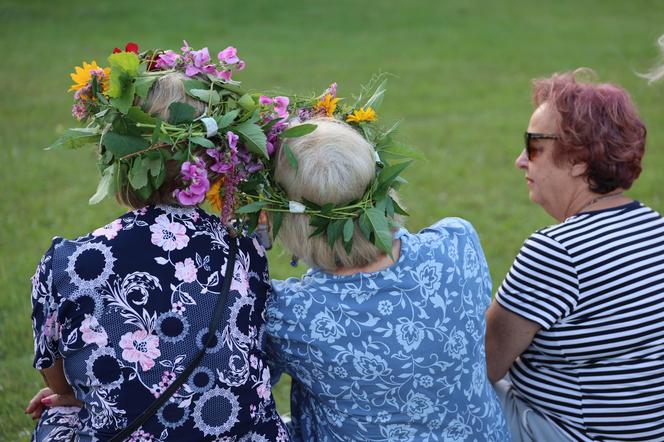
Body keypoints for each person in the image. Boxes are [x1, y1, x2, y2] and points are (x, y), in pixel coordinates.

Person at [26, 42, 289, 441]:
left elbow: (61, 384)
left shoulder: (68, 262)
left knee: (55, 412)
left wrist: (79, 396)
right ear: (211, 159)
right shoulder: (245, 251)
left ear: (122, 158)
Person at [264, 118, 510, 441]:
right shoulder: (457, 243)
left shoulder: (290, 316)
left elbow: (254, 384)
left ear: (290, 219)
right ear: (381, 189)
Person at [485, 70, 664, 441]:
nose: (521, 160)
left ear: (579, 160)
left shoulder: (556, 252)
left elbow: (483, 363)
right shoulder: (654, 228)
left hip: (574, 433)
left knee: (440, 390)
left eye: (534, 146)